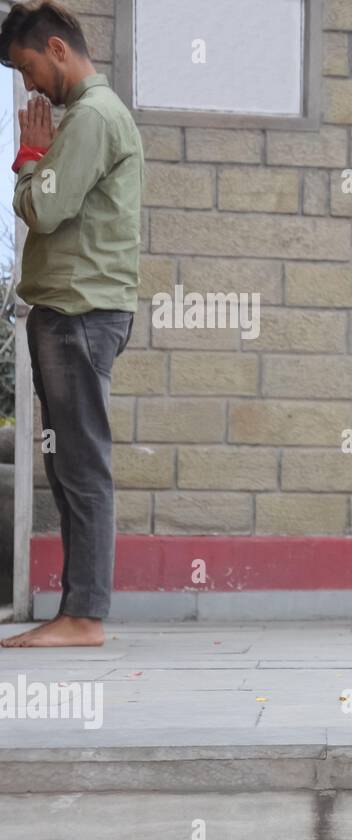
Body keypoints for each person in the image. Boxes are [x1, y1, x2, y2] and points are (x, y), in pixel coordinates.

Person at [0, 1, 143, 648]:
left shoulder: (90, 117)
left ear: (58, 49)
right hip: (78, 312)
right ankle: (78, 612)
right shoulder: (90, 119)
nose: (28, 85)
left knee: (81, 465)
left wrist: (31, 158)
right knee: (71, 465)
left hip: (79, 314)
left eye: (28, 69)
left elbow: (46, 209)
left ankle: (84, 617)